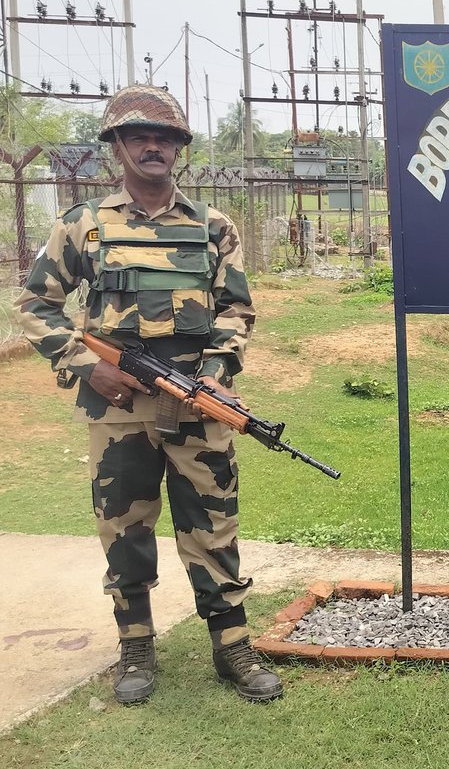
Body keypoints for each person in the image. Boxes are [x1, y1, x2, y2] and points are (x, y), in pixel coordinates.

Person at [13, 85, 282, 704]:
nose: (154, 146)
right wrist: (87, 365)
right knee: (124, 526)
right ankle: (135, 646)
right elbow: (35, 304)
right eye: (140, 137)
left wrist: (218, 369)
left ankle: (232, 646)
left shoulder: (213, 227)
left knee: (212, 523)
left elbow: (236, 310)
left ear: (180, 149)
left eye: (165, 138)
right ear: (118, 148)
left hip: (195, 403)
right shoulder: (82, 225)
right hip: (118, 409)